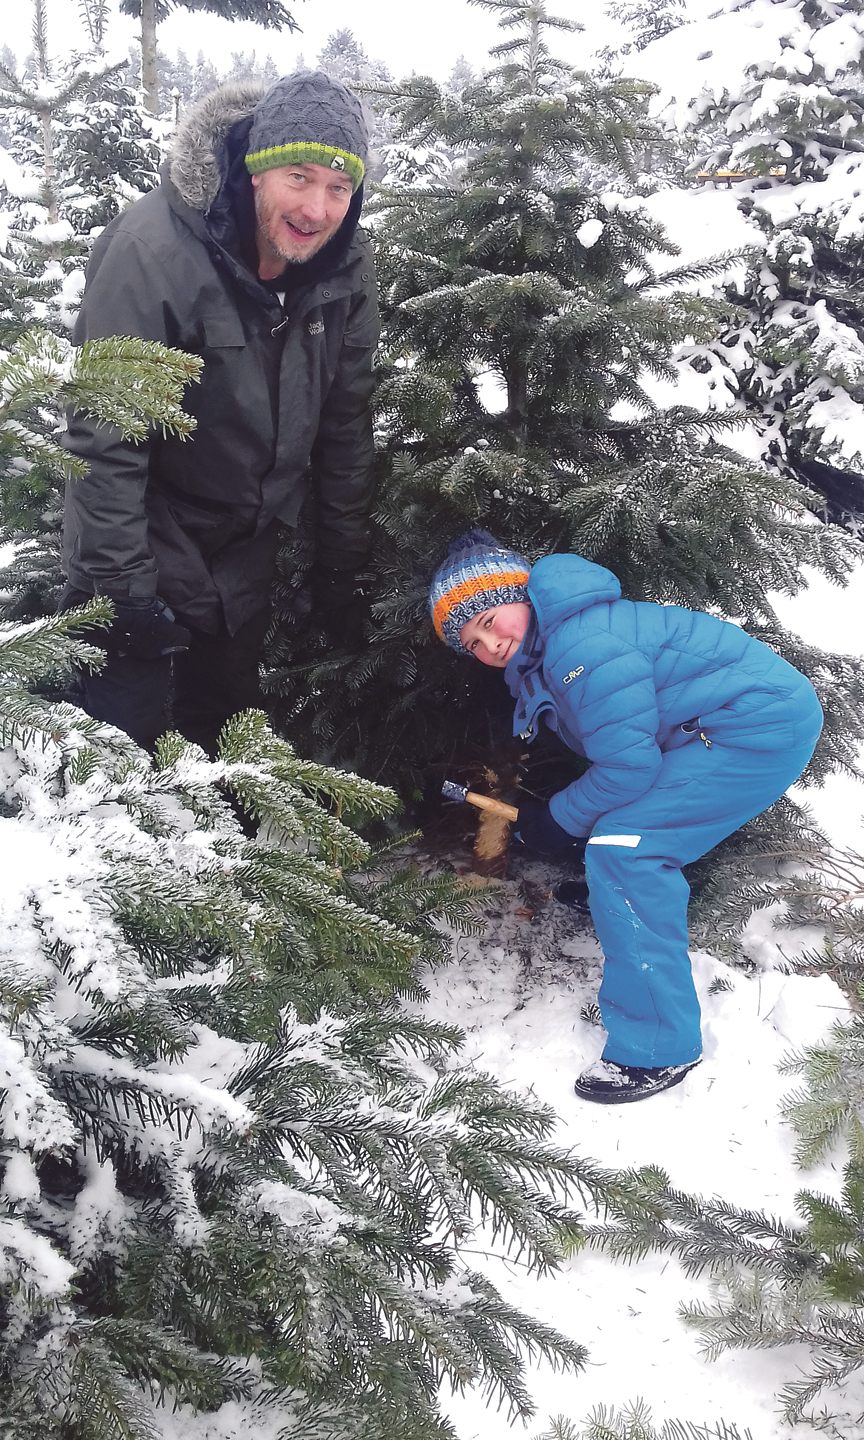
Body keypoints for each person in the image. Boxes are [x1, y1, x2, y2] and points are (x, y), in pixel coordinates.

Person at [428, 529, 823, 1105]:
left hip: (754, 728)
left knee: (627, 850)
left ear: (520, 595)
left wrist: (556, 820)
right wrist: (565, 817)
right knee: (620, 836)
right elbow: (626, 752)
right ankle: (616, 899)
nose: (490, 644)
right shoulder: (552, 649)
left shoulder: (580, 647)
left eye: (489, 620)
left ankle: (659, 1048)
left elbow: (627, 768)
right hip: (714, 727)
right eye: (473, 643)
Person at [61, 71, 379, 755]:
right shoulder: (153, 252)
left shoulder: (343, 270)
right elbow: (105, 437)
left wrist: (340, 566)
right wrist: (120, 591)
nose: (317, 209)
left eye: (338, 187)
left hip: (244, 557)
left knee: (221, 745)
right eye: (299, 177)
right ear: (257, 170)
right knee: (121, 752)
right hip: (146, 538)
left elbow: (345, 425)